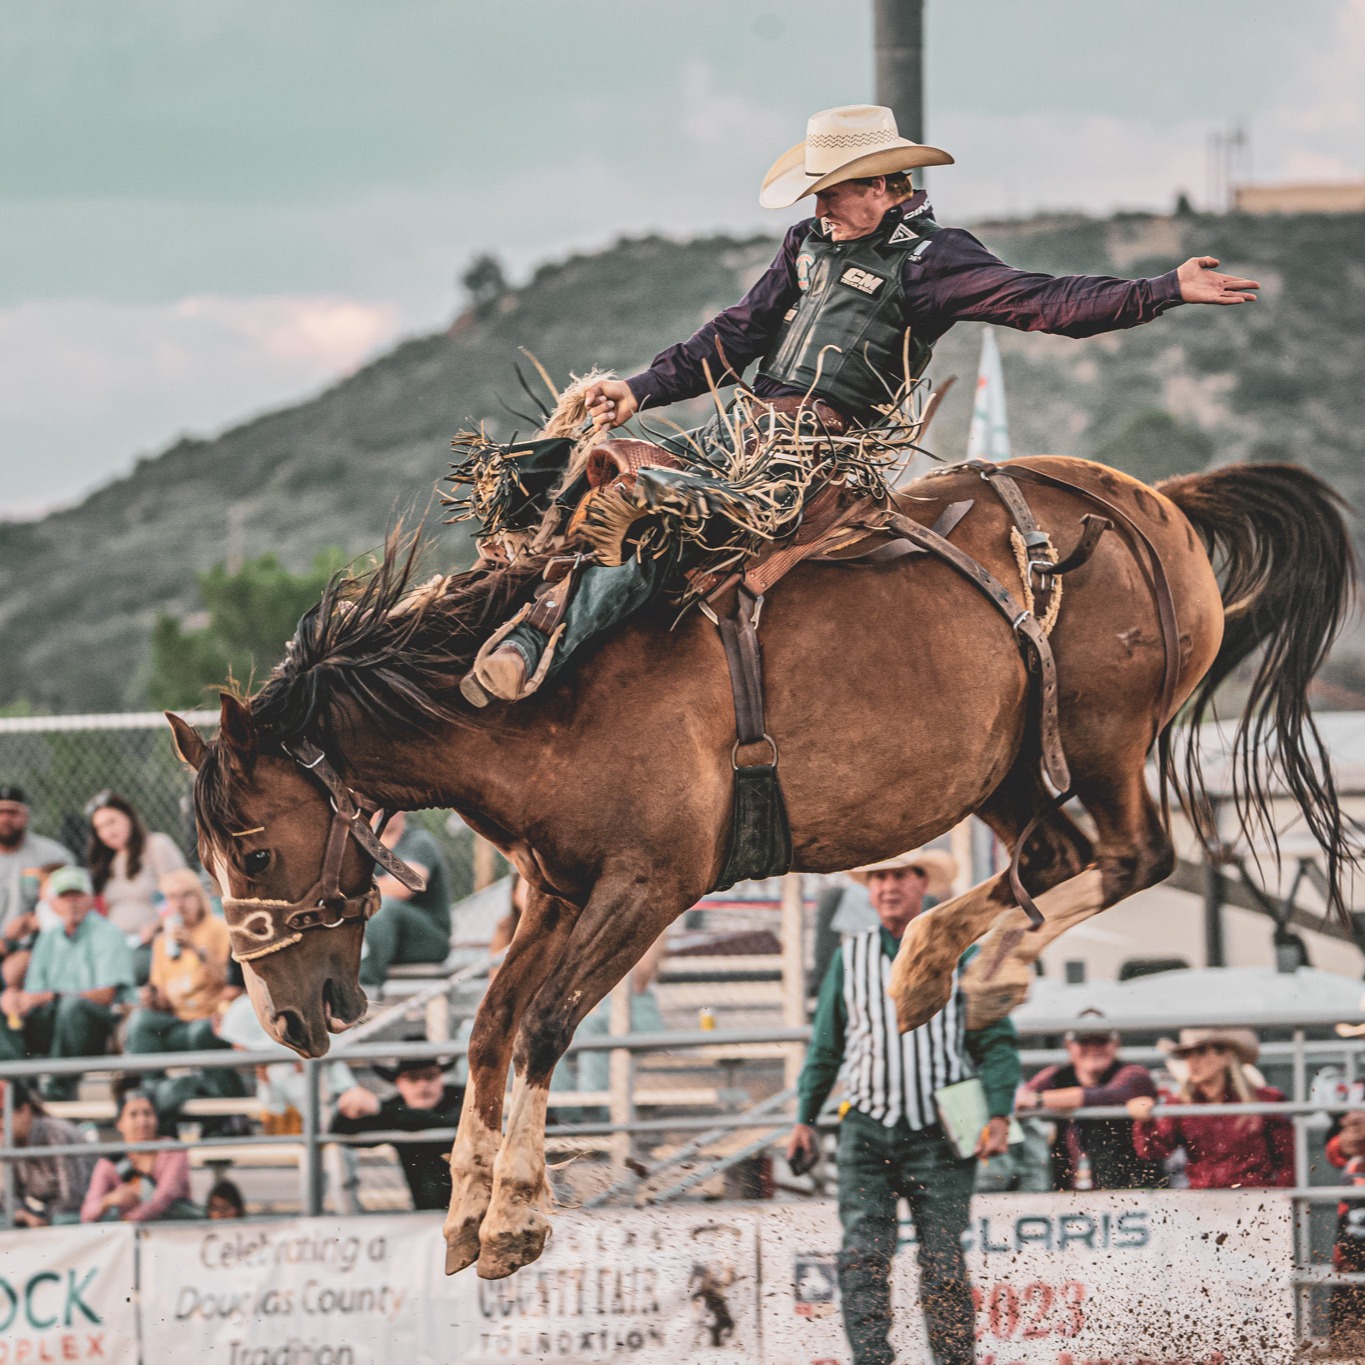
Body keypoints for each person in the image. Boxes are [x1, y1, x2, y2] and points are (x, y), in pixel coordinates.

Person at [469, 102, 1260, 702]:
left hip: (807, 456)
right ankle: (484, 610)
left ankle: (542, 645)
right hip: (738, 432)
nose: (816, 208)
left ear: (885, 187)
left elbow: (1044, 301)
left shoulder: (934, 260)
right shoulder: (806, 247)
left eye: (832, 191)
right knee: (558, 471)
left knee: (649, 507)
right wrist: (638, 388)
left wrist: (1162, 289)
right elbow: (739, 332)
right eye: (814, 193)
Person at [785, 848, 1020, 1365]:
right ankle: (873, 1360)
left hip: (942, 1128)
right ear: (869, 890)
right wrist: (805, 1116)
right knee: (862, 1257)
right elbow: (827, 1043)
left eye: (899, 876)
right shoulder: (851, 956)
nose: (888, 887)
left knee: (943, 1262)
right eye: (879, 877)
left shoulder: (963, 954)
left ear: (923, 885)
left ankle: (953, 1360)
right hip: (866, 1127)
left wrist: (999, 1112)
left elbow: (996, 1041)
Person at [0, 866, 135, 1099]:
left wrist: (52, 996)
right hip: (54, 1022)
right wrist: (15, 1000)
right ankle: (22, 1087)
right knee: (5, 1010)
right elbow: (34, 993)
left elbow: (106, 996)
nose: (71, 902)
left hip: (98, 1026)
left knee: (73, 1007)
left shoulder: (108, 934)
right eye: (65, 896)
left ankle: (57, 1086)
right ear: (53, 903)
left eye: (78, 895)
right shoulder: (47, 939)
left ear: (91, 899)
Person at [125, 869, 247, 1118]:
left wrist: (195, 949)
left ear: (200, 897)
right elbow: (162, 995)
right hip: (178, 1020)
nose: (179, 903)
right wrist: (152, 999)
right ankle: (154, 1089)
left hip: (212, 1019)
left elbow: (231, 980)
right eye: (171, 897)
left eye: (186, 895)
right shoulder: (162, 941)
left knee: (199, 1033)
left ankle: (224, 1099)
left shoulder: (220, 929)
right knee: (140, 1023)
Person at [1128, 1027, 1294, 1189]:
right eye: (1188, 1054)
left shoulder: (1265, 1101)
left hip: (1255, 1200)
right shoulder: (1181, 1104)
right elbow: (1153, 1151)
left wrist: (1282, 1200)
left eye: (1201, 1052)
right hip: (1206, 1203)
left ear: (1226, 1056)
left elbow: (1288, 1159)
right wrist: (1144, 1121)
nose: (1192, 1062)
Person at [1016, 1009, 1162, 1190]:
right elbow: (1019, 1098)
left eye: (1101, 1041)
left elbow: (1109, 1095)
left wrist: (1039, 1100)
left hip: (1130, 1188)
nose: (1093, 1049)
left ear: (1115, 1045)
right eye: (1084, 1041)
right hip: (1067, 1189)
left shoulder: (1133, 1074)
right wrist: (1030, 1099)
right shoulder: (1056, 1076)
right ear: (1069, 1046)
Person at [328, 1056, 464, 1210]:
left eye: (430, 1076)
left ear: (441, 1078)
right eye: (413, 1079)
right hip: (428, 1211)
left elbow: (445, 1121)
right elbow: (341, 1131)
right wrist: (347, 1107)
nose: (423, 1085)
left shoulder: (461, 1098)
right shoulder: (395, 1110)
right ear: (398, 1083)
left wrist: (379, 1107)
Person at [86, 792, 186, 985]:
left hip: (155, 941)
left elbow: (181, 894)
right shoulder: (107, 862)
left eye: (111, 822)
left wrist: (157, 925)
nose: (107, 832)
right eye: (99, 828)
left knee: (124, 970)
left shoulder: (157, 846)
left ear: (128, 817)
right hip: (117, 943)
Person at [358, 811, 452, 988]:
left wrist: (352, 884)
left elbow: (404, 887)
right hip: (383, 941)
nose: (381, 811)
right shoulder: (361, 845)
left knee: (383, 905)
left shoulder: (418, 842)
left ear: (402, 808)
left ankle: (366, 988)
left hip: (426, 941)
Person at [81, 1088, 198, 1222]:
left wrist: (130, 1220)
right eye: (133, 1114)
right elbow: (87, 1213)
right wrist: (109, 1200)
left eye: (147, 1113)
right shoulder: (111, 1160)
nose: (142, 1121)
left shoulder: (173, 1150)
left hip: (170, 1229)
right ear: (120, 1124)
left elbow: (164, 1197)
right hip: (128, 1235)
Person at [1, 1078, 96, 1226]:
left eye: (2, 1114)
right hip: (49, 1212)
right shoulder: (7, 1140)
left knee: (62, 1220)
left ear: (25, 1110)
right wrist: (23, 1215)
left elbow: (72, 1198)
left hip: (83, 1213)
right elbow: (6, 1194)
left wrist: (39, 1219)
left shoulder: (57, 1134)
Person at [0, 784, 74, 947]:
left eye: (12, 812)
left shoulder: (53, 855)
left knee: (14, 970)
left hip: (37, 942)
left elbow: (72, 902)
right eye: (1, 812)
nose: (5, 819)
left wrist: (33, 920)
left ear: (25, 816)